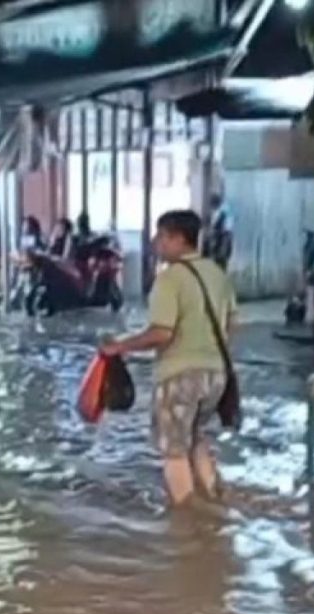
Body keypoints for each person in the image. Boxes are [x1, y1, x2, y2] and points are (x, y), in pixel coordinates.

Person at [100, 210, 237, 507]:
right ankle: (215, 501)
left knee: (174, 451)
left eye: (160, 236)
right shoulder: (217, 274)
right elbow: (231, 326)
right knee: (195, 437)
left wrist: (120, 346)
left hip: (180, 376)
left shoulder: (170, 278)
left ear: (178, 238)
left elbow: (162, 333)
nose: (155, 242)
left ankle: (187, 517)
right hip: (216, 374)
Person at [203, 194, 234, 271]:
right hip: (213, 247)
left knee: (220, 264)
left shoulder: (225, 214)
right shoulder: (211, 215)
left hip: (220, 245)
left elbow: (227, 232)